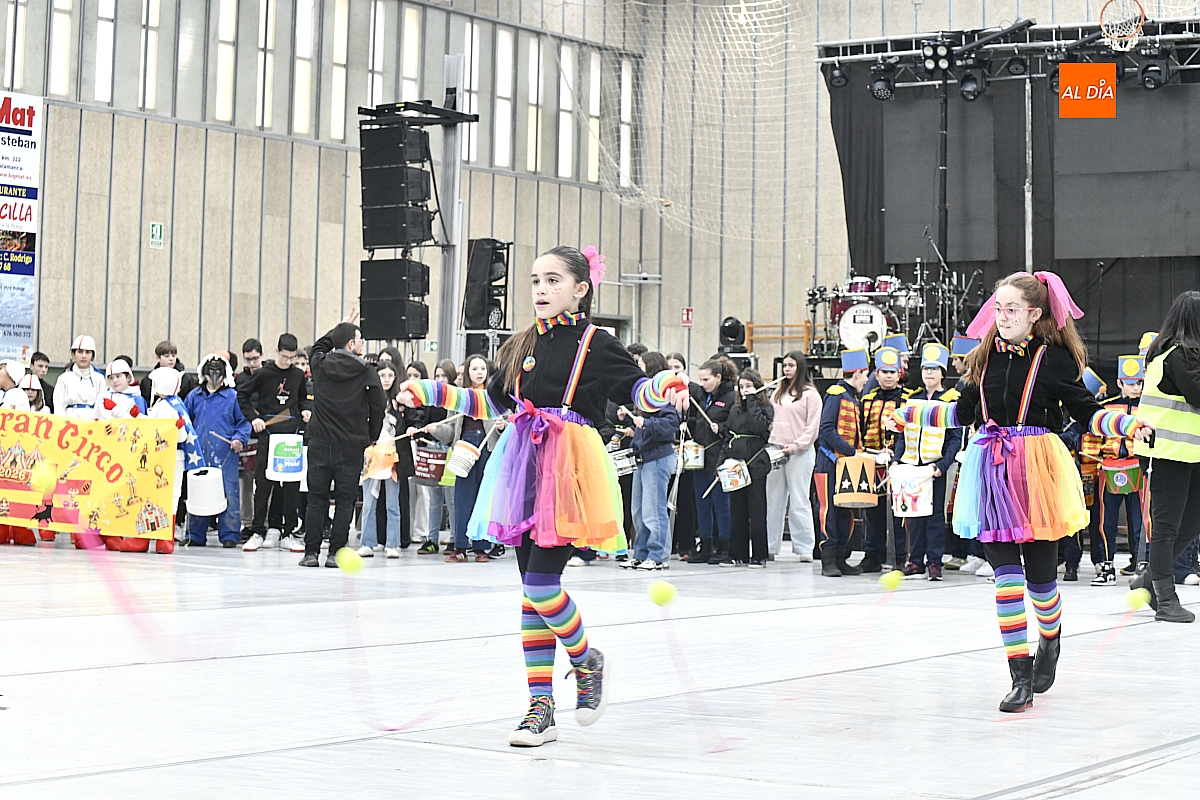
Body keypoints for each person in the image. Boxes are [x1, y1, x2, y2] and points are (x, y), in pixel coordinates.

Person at [398, 245, 688, 748]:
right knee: (531, 595)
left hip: (568, 472)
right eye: (534, 280)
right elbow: (490, 404)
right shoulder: (519, 346)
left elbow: (636, 389)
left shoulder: (597, 343)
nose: (539, 290)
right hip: (522, 470)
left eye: (552, 280)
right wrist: (430, 392)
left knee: (540, 585)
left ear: (580, 288)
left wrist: (663, 383)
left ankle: (586, 659)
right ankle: (540, 706)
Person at [892, 272, 1150, 712]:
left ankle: (1050, 637)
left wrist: (1127, 423)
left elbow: (1087, 412)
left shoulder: (1057, 359)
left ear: (1034, 314)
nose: (1001, 316)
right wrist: (915, 414)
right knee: (1006, 582)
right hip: (992, 476)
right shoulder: (983, 358)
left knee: (1042, 585)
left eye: (1011, 309)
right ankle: (1020, 676)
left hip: (1038, 475)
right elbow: (963, 412)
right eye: (998, 308)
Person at [1130, 291, 1200, 622]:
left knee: (1191, 520)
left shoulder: (1186, 354)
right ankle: (1164, 597)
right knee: (1167, 527)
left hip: (1188, 454)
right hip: (1167, 453)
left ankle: (1148, 581)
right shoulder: (1178, 356)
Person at [301, 313, 385, 568]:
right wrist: (371, 436)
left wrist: (337, 329)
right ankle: (335, 553)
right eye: (358, 340)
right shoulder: (366, 371)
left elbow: (318, 346)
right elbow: (378, 406)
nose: (361, 344)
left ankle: (311, 553)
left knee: (316, 498)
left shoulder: (320, 364)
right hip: (350, 444)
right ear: (351, 344)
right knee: (345, 501)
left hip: (319, 441)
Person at [237, 333, 312, 552]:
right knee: (263, 483)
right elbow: (243, 395)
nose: (288, 361)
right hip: (268, 434)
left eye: (292, 357)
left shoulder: (298, 375)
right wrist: (254, 418)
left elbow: (301, 398)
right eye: (285, 357)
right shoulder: (264, 373)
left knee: (290, 485)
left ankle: (288, 532)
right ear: (277, 351)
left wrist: (305, 411)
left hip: (291, 435)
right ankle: (258, 530)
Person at [895, 343, 961, 581]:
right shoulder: (912, 400)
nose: (929, 374)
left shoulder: (951, 400)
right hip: (913, 466)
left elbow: (955, 439)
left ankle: (935, 561)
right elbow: (903, 432)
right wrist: (897, 460)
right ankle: (915, 561)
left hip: (935, 468)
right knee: (914, 516)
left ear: (942, 372)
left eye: (934, 369)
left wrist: (942, 466)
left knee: (934, 517)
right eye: (925, 369)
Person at [1080, 354, 1146, 586]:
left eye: (1139, 382)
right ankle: (1107, 566)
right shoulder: (1107, 407)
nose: (1135, 388)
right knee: (1106, 522)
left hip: (1138, 468)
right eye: (1130, 383)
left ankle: (1141, 564)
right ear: (1120, 383)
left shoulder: (1148, 408)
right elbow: (1091, 437)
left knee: (1139, 521)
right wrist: (1092, 464)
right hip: (1109, 469)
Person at [434, 355, 505, 563]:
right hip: (464, 447)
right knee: (462, 498)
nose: (479, 372)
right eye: (475, 369)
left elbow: (509, 423)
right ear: (467, 373)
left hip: (487, 448)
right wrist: (435, 430)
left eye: (483, 368)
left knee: (483, 498)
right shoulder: (460, 397)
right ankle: (461, 546)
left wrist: (502, 426)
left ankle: (482, 547)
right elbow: (449, 430)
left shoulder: (494, 397)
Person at [183, 355, 252, 548]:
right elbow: (185, 421)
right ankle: (194, 534)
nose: (213, 376)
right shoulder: (193, 396)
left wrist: (239, 438)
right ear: (203, 373)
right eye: (210, 371)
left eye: (218, 372)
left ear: (225, 374)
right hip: (198, 455)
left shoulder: (233, 397)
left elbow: (244, 422)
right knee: (197, 493)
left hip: (225, 454)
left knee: (229, 492)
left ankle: (229, 534)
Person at [620, 351, 680, 571]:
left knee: (653, 510)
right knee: (638, 510)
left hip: (658, 457)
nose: (638, 368)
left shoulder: (665, 395)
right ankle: (641, 552)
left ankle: (658, 555)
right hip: (642, 457)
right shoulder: (645, 395)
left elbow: (670, 424)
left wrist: (645, 424)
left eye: (642, 365)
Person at [815, 349, 869, 578]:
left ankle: (841, 557)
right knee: (828, 512)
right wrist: (851, 451)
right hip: (829, 464)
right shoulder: (835, 394)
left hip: (846, 465)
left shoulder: (851, 397)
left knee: (845, 511)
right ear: (857, 373)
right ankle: (828, 559)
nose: (867, 380)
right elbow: (826, 429)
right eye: (865, 374)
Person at [766, 350, 820, 562]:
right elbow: (771, 419)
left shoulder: (810, 395)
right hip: (775, 450)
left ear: (800, 367)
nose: (787, 369)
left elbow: (812, 427)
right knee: (774, 500)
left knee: (799, 500)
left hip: (800, 453)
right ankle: (770, 546)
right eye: (785, 366)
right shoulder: (777, 394)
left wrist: (797, 446)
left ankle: (804, 548)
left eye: (791, 365)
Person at [860, 346, 908, 573]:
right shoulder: (867, 399)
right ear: (876, 374)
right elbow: (862, 428)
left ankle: (900, 557)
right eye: (884, 372)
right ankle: (872, 555)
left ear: (899, 373)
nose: (888, 376)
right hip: (871, 461)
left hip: (896, 462)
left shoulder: (907, 399)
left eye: (892, 372)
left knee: (898, 512)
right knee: (872, 512)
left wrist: (896, 455)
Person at [721, 368, 774, 568]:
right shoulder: (734, 409)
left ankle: (759, 554)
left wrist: (752, 401)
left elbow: (758, 427)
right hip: (736, 465)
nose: (744, 390)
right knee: (738, 511)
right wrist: (723, 460)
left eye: (749, 386)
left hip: (756, 464)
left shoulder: (765, 408)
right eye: (741, 387)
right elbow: (728, 435)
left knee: (757, 511)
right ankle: (737, 553)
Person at [687, 357, 738, 564]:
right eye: (700, 380)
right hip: (700, 456)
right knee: (702, 503)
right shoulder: (701, 396)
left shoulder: (730, 397)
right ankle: (705, 545)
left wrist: (722, 428)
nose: (703, 384)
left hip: (719, 456)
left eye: (706, 379)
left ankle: (725, 545)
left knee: (721, 504)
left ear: (718, 377)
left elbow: (735, 426)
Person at [358, 361, 403, 559]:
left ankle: (393, 543)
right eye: (382, 375)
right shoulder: (366, 398)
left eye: (389, 376)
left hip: (392, 458)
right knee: (368, 502)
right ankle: (367, 542)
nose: (386, 380)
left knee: (392, 503)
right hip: (372, 456)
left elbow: (410, 421)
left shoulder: (401, 401)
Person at [418, 360, 458, 554]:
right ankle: (432, 539)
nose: (440, 379)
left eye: (444, 376)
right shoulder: (432, 396)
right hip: (433, 449)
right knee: (434, 498)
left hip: (450, 450)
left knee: (451, 499)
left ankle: (454, 538)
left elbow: (454, 428)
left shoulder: (456, 397)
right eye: (438, 375)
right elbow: (422, 418)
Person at [665, 353, 698, 559]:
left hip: (688, 451)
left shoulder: (692, 390)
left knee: (686, 499)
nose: (674, 370)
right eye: (670, 367)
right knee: (668, 498)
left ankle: (687, 543)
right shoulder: (661, 391)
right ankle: (670, 542)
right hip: (668, 450)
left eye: (678, 366)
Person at [53, 335, 105, 417]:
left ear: (92, 356)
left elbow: (103, 407)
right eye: (80, 352)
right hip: (69, 424)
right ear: (73, 354)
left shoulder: (99, 379)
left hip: (93, 424)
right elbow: (59, 406)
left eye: (87, 352)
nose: (83, 356)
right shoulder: (64, 378)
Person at [140, 341, 197, 409]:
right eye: (166, 356)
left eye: (173, 356)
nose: (171, 359)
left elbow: (190, 403)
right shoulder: (149, 379)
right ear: (158, 358)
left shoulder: (185, 378)